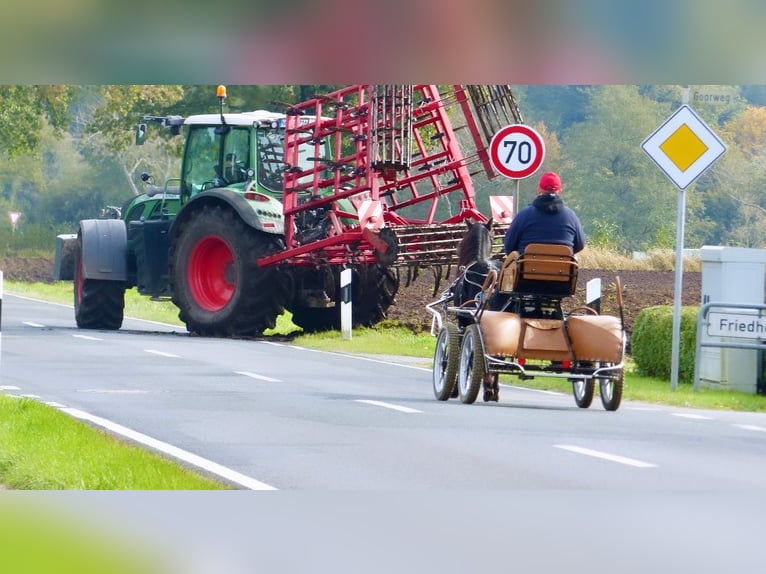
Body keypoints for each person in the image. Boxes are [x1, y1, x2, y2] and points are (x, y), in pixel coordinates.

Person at [503, 171, 585, 256]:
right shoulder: (571, 216)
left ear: (539, 189)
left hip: (527, 268)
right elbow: (580, 245)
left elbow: (509, 247)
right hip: (562, 268)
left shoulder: (524, 215)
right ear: (560, 190)